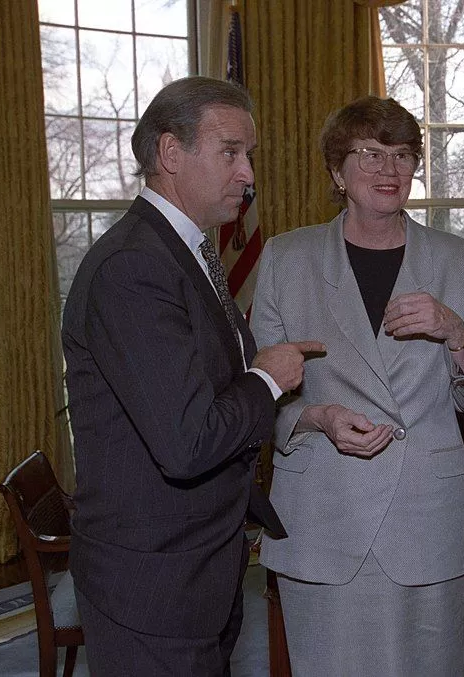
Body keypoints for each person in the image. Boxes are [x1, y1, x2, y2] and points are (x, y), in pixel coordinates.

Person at [61, 76, 323, 677]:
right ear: (170, 155)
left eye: (248, 154)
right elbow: (187, 442)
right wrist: (269, 378)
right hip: (153, 587)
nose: (249, 173)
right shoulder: (134, 267)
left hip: (198, 570)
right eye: (231, 152)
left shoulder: (185, 252)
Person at [252, 95, 464, 676]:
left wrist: (455, 332)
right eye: (368, 154)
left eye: (402, 155)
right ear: (337, 172)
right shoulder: (286, 260)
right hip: (323, 517)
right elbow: (256, 394)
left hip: (423, 517)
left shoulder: (456, 260)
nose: (388, 170)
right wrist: (313, 418)